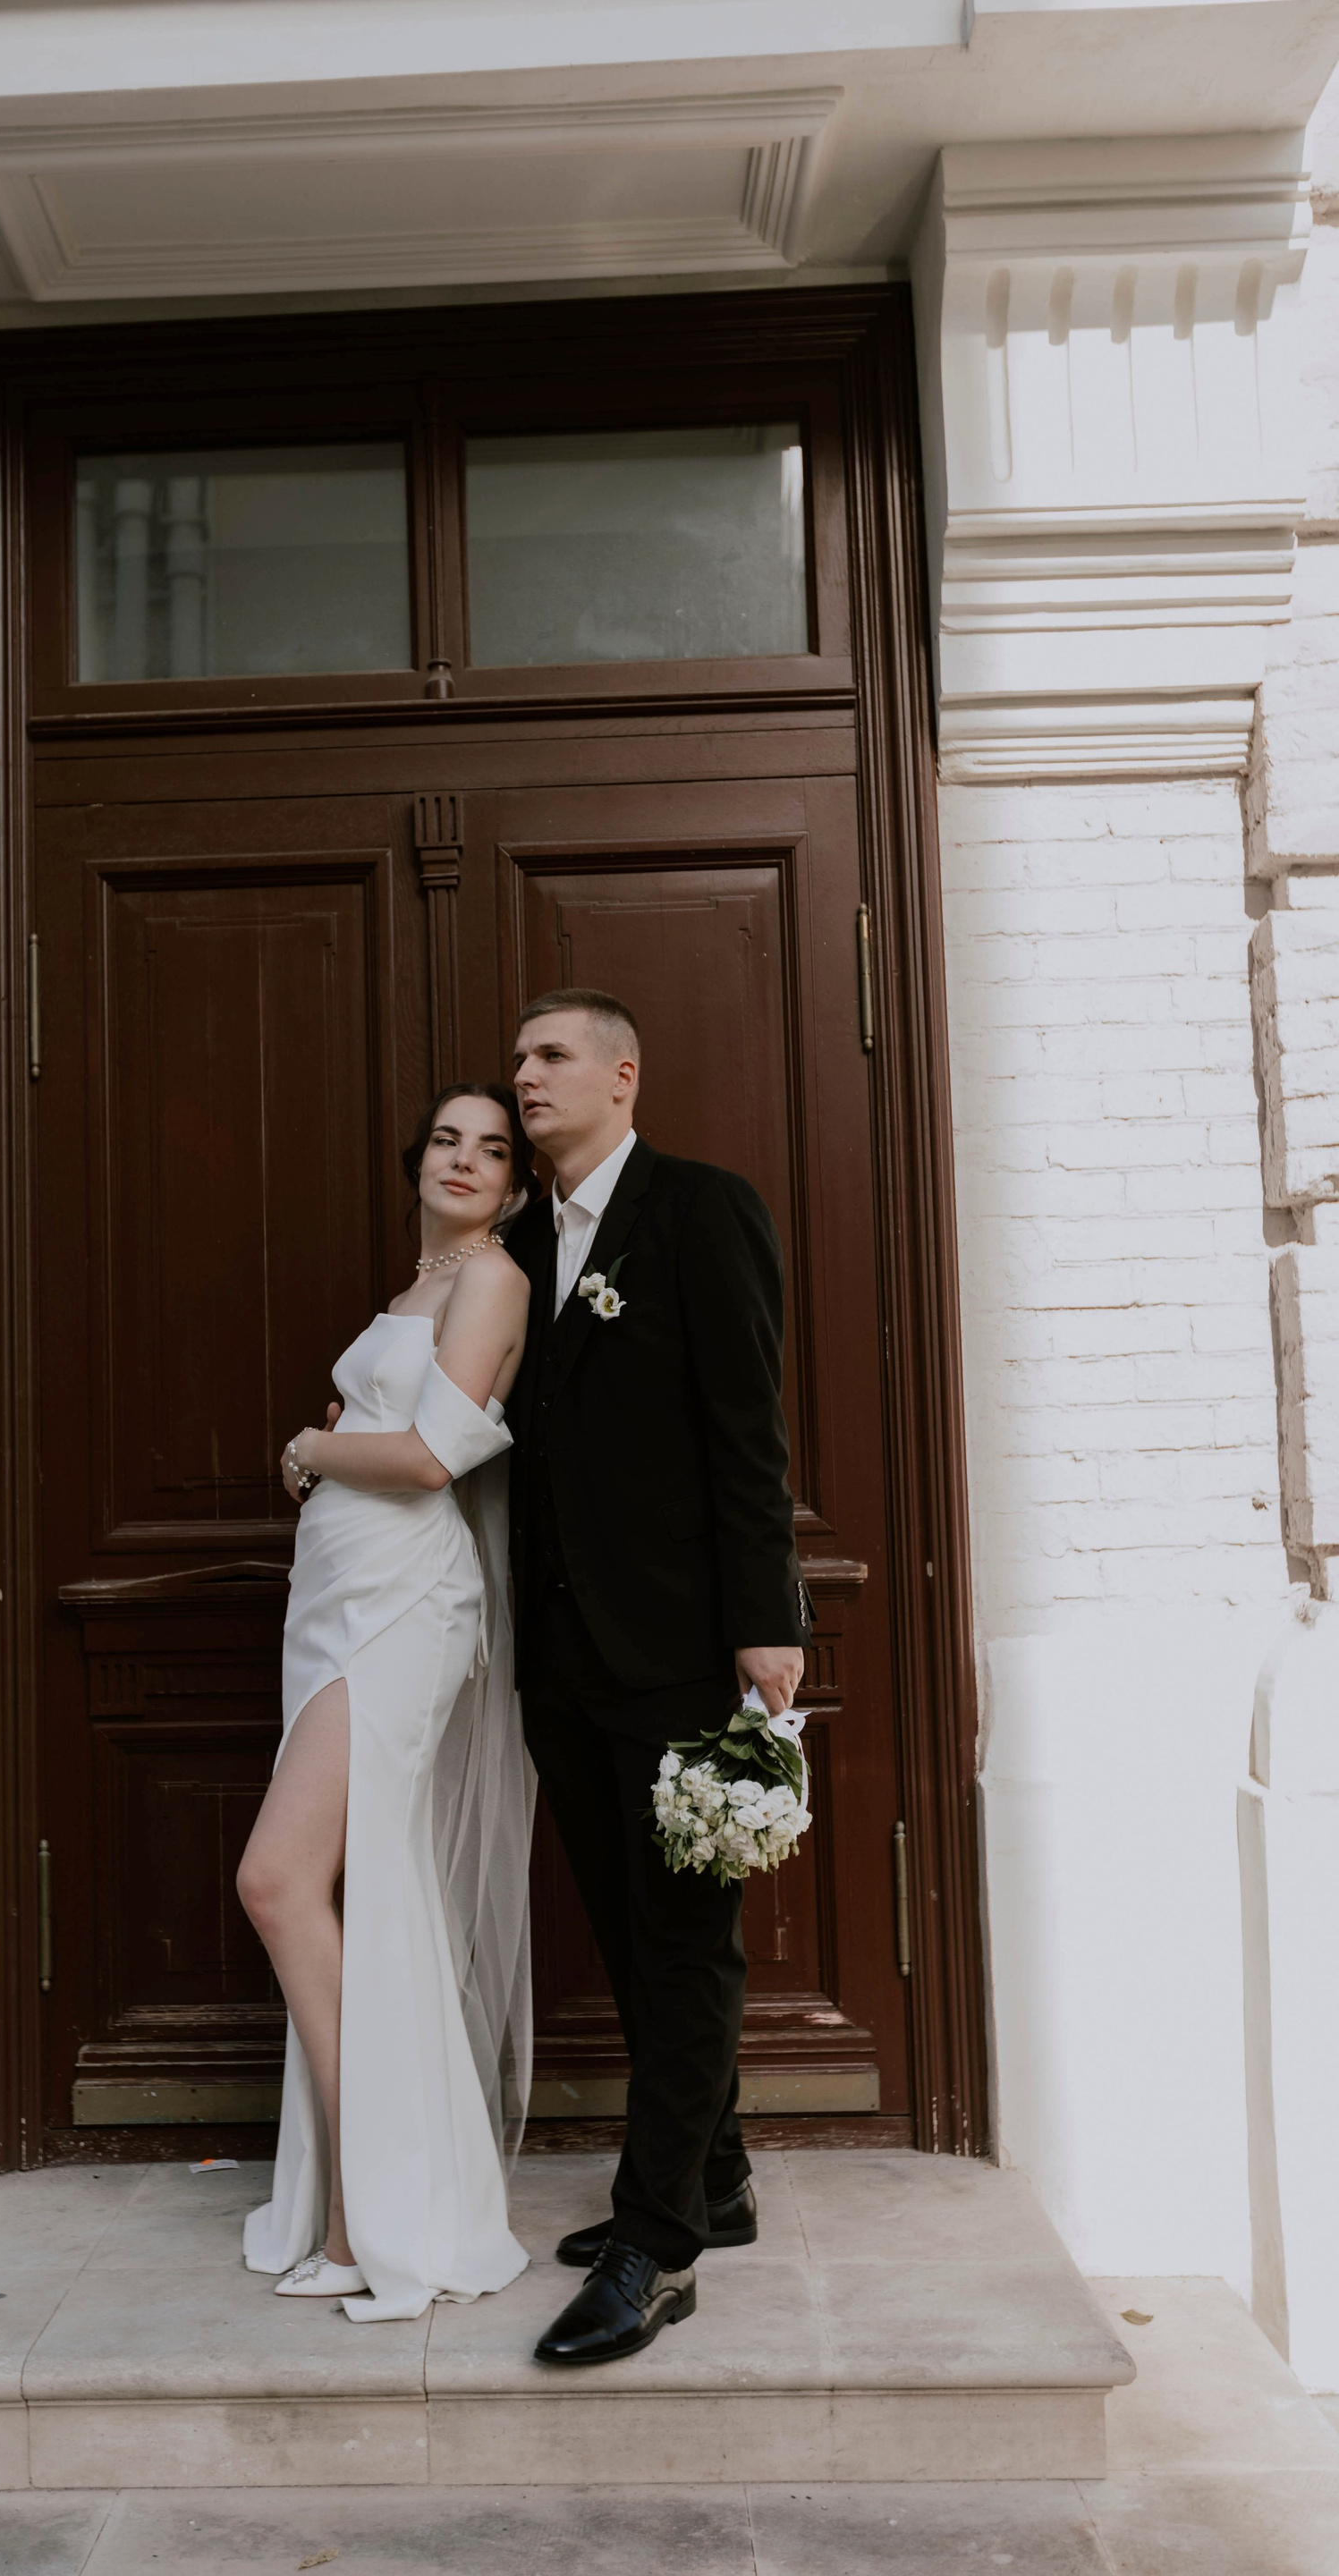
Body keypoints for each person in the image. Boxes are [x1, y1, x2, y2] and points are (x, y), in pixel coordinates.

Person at [506, 988, 810, 2367]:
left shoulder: (700, 1209)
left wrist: (767, 1619)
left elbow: (748, 1426)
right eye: (519, 1060)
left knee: (686, 1943)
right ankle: (718, 2175)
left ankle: (658, 2246)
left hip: (686, 1647)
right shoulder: (521, 1243)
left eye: (552, 1055)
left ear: (622, 1075)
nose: (527, 1077)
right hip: (562, 1661)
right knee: (632, 1938)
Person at [237, 1084, 538, 2322]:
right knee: (358, 1886)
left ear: (516, 1184)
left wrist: (310, 1452)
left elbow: (427, 1457)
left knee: (277, 1880)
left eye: (493, 1149)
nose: (465, 1160)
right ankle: (365, 2203)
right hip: (337, 1591)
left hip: (406, 1602)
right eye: (447, 1141)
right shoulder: (422, 1284)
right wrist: (337, 1447)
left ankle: (369, 2214)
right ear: (417, 1160)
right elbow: (395, 1422)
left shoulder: (493, 1281)